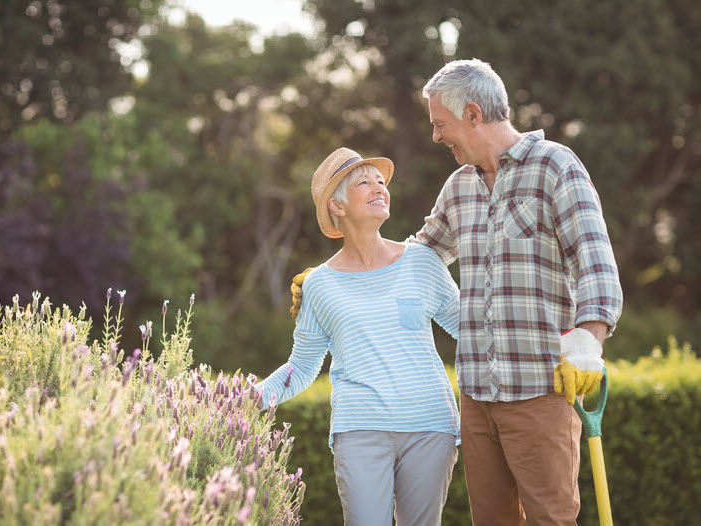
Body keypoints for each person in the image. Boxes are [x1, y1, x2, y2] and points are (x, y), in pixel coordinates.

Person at [291, 59, 623, 525]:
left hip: (537, 391)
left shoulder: (555, 167)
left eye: (439, 123)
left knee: (551, 519)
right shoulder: (459, 187)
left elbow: (596, 264)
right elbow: (415, 255)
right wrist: (334, 275)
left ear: (471, 114)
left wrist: (589, 336)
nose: (435, 136)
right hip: (477, 398)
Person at [254, 147, 462, 526]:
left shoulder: (422, 261)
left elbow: (472, 330)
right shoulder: (318, 284)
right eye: (364, 182)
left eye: (381, 181)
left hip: (430, 426)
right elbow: (302, 367)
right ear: (337, 205)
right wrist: (248, 399)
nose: (379, 187)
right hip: (359, 430)